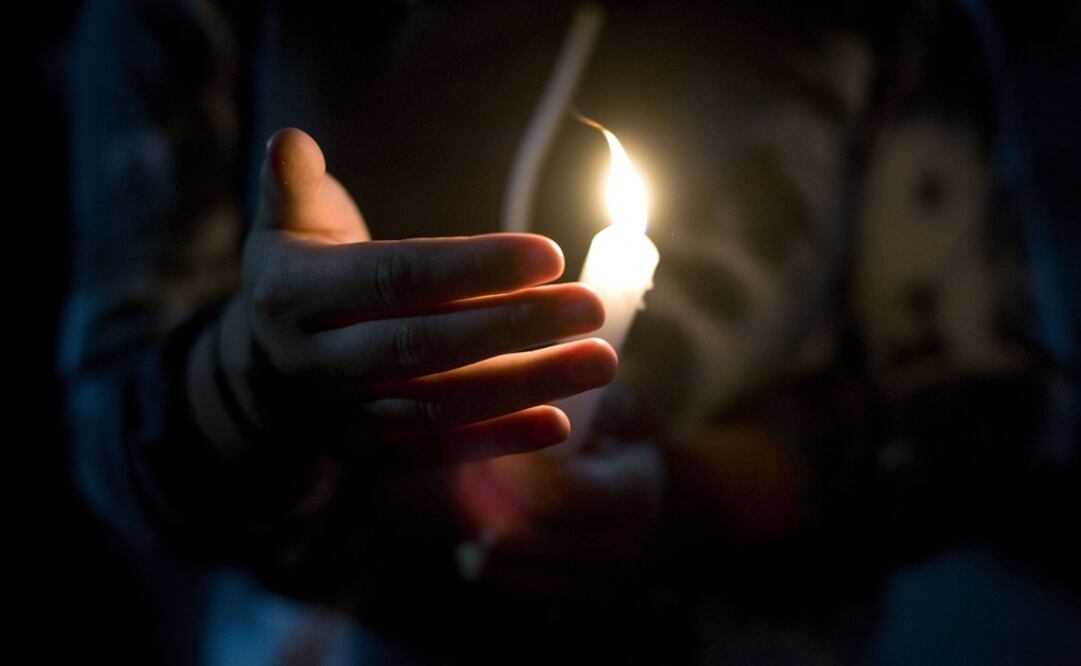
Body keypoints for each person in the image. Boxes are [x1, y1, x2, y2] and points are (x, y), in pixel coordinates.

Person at [62, 1, 1070, 663]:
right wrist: (253, 381)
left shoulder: (886, 23)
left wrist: (700, 496)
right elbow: (107, 425)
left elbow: (1005, 406)